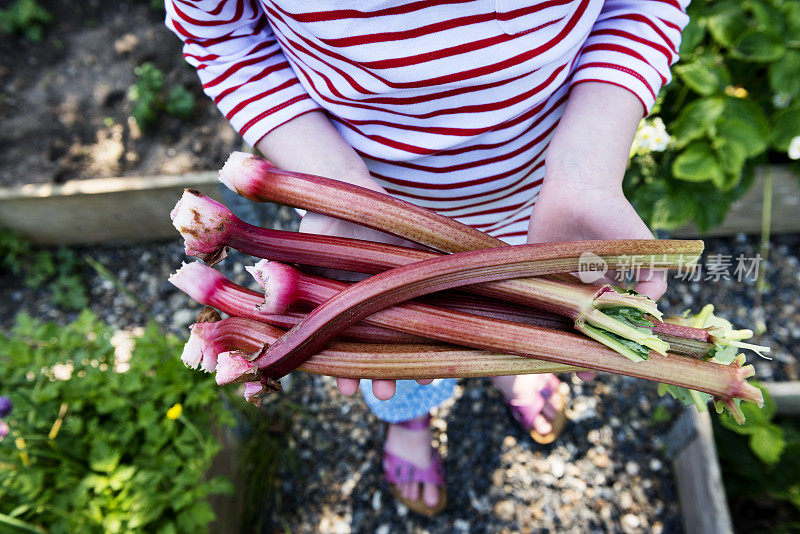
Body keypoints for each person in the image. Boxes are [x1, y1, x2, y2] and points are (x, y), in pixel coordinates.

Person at [166, 0, 687, 516]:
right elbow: (222, 33)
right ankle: (411, 415)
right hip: (370, 221)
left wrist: (586, 172)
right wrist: (337, 190)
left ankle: (514, 363)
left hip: (542, 200)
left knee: (521, 315)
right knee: (399, 346)